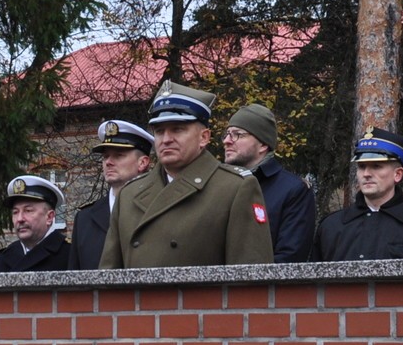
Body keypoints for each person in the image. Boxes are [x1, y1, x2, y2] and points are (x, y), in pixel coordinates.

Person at [98, 80, 276, 269]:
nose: (166, 139)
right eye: (159, 131)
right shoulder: (129, 194)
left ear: (204, 137)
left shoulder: (234, 188)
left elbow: (250, 275)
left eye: (177, 129)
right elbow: (108, 277)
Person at [314, 129, 403, 261]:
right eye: (361, 166)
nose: (366, 174)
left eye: (376, 166)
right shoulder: (331, 227)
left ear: (398, 174)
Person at [220, 102, 315, 262]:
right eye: (227, 134)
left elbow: (290, 259)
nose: (227, 141)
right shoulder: (218, 185)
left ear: (263, 144)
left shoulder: (293, 191)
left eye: (238, 134)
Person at [70, 120, 154, 270]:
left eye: (119, 155)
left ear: (143, 163)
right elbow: (74, 278)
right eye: (105, 156)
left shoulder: (158, 208)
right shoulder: (85, 219)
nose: (108, 162)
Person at [0, 175, 75, 272]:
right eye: (15, 212)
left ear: (49, 217)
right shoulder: (3, 258)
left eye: (28, 211)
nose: (20, 219)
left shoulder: (70, 253)